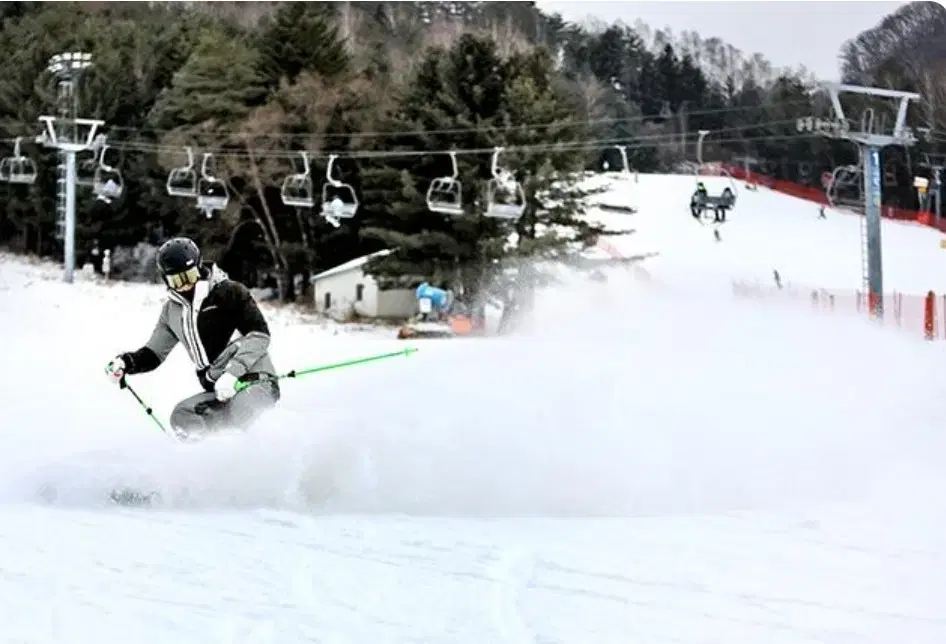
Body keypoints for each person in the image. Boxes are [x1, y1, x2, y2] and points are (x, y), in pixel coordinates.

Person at [104, 237, 280, 441]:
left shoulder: (229, 292)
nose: (185, 285)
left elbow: (259, 335)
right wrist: (125, 363)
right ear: (166, 280)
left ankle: (250, 460)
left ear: (199, 267)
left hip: (255, 382)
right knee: (182, 416)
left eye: (190, 275)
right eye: (176, 281)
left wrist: (232, 374)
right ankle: (202, 461)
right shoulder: (172, 311)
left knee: (240, 414)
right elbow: (153, 353)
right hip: (219, 390)